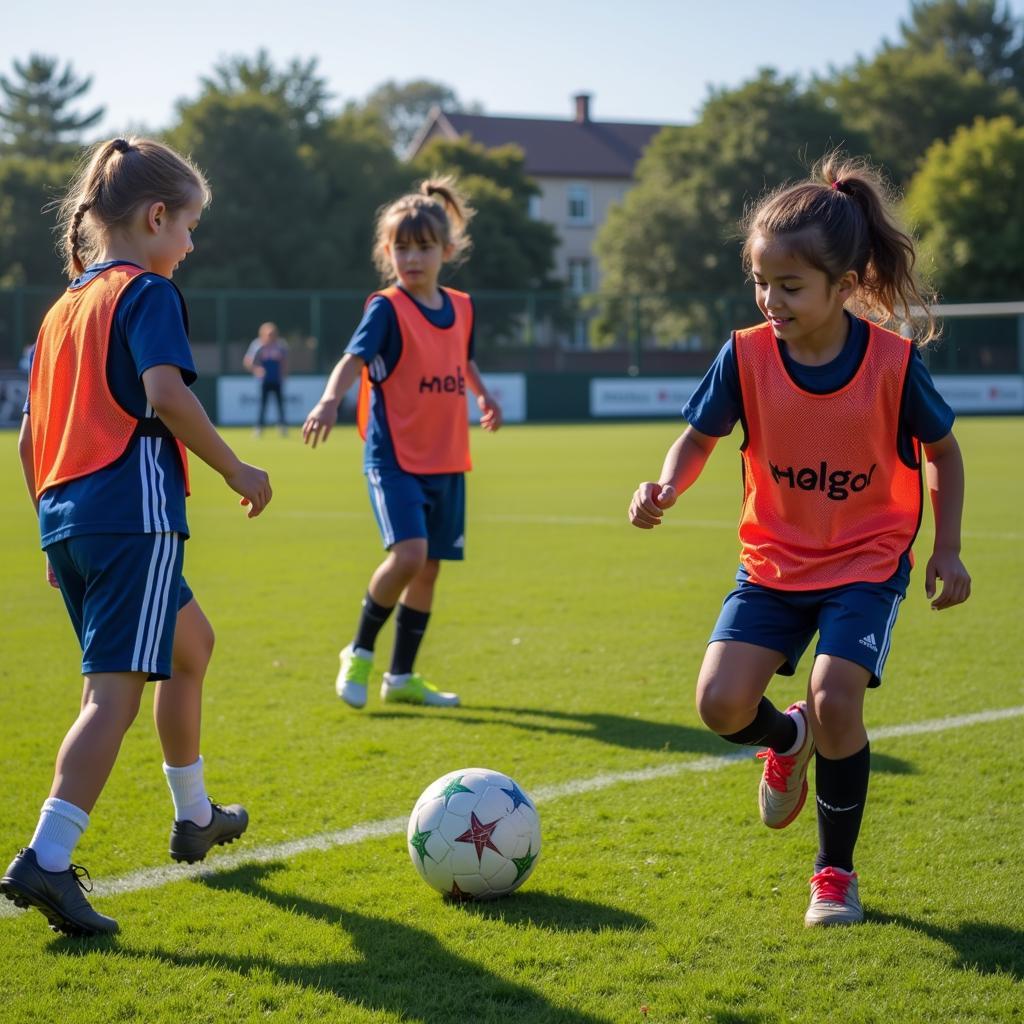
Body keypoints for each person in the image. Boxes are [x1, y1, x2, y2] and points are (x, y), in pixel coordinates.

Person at [628, 154, 970, 927]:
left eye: (790, 287)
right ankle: (787, 740)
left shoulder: (892, 363)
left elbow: (945, 452)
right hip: (774, 562)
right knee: (718, 704)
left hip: (865, 563)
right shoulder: (744, 354)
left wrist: (946, 549)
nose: (770, 300)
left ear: (844, 285)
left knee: (837, 695)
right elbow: (696, 439)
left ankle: (834, 875)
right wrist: (666, 486)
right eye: (760, 282)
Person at [0, 137, 272, 937]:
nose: (190, 244)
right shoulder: (145, 293)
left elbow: (27, 439)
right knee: (111, 698)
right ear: (155, 218)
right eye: (188, 225)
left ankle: (195, 818)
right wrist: (234, 468)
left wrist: (55, 536)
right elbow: (165, 396)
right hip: (135, 517)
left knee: (191, 647)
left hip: (71, 520)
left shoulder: (61, 310)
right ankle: (47, 860)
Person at [303, 177, 502, 709]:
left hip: (446, 456)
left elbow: (463, 358)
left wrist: (484, 397)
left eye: (424, 247)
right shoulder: (387, 308)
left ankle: (401, 678)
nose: (412, 258)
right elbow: (353, 359)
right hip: (394, 457)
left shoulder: (461, 306)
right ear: (387, 252)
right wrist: (328, 400)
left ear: (447, 250)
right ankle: (360, 652)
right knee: (409, 554)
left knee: (430, 565)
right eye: (401, 248)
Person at [244, 321, 289, 435]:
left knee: (280, 404)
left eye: (273, 334)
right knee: (263, 404)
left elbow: (285, 362)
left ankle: (282, 426)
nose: (271, 336)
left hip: (277, 380)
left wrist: (284, 373)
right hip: (264, 381)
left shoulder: (280, 346)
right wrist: (257, 370)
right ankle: (259, 427)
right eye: (268, 334)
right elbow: (248, 361)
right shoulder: (257, 345)